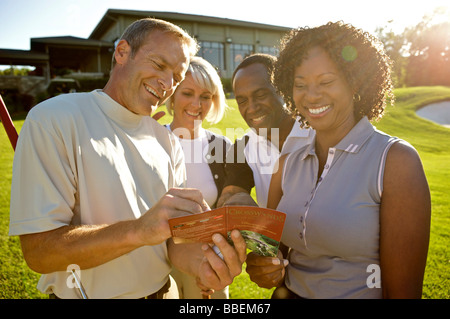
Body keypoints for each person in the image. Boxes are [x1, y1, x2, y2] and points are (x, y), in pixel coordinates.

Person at [8, 18, 246, 299]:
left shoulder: (166, 140)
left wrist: (202, 266)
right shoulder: (55, 118)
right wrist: (138, 230)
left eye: (176, 77)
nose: (167, 84)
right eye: (159, 65)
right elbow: (40, 253)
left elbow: (173, 242)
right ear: (122, 52)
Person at [246, 21, 431, 299]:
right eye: (300, 84)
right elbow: (274, 256)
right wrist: (262, 267)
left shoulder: (394, 161)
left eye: (326, 81)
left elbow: (404, 292)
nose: (311, 95)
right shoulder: (288, 161)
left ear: (355, 81)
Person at [164, 56, 231, 298]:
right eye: (187, 93)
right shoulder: (149, 141)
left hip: (206, 264)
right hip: (156, 265)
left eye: (205, 96)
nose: (197, 104)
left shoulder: (223, 147)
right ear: (172, 95)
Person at [216, 54, 314, 208]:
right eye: (242, 101)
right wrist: (235, 200)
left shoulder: (319, 134)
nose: (252, 108)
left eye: (261, 95)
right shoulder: (243, 147)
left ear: (284, 90)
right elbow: (232, 192)